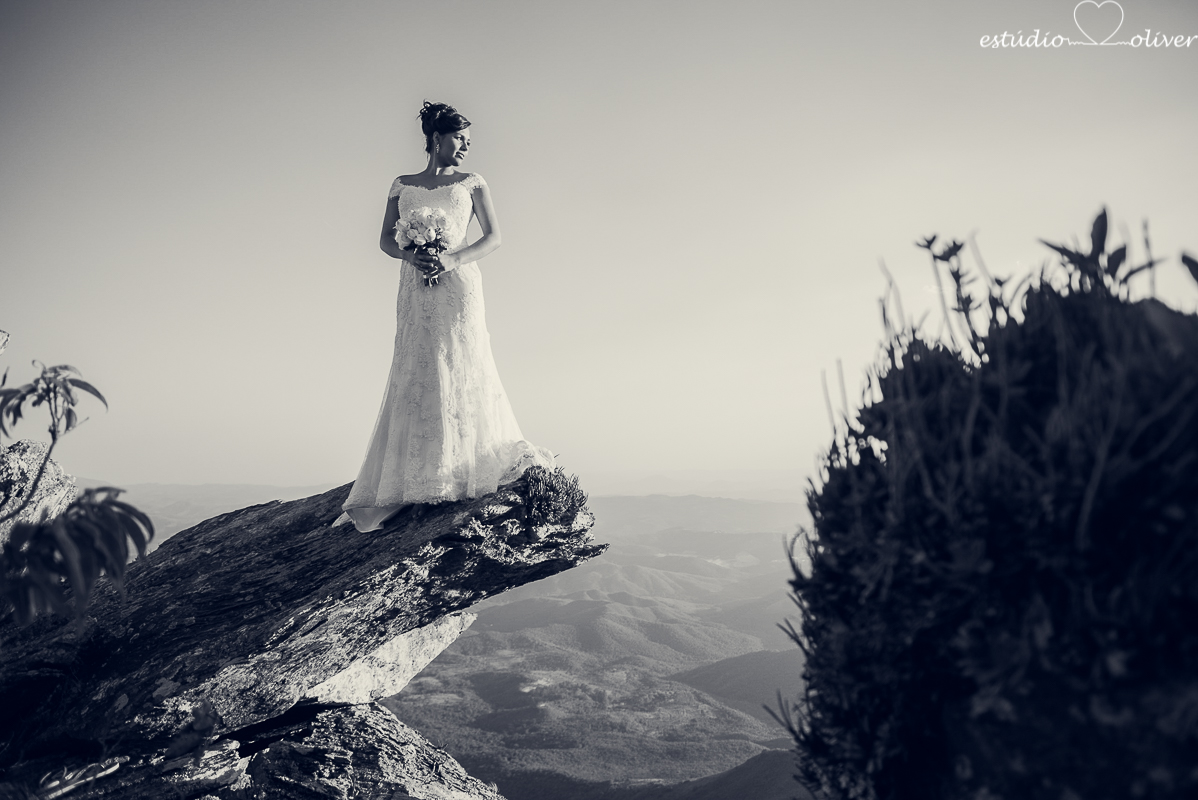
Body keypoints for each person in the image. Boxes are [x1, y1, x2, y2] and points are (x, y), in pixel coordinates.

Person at [338, 101, 555, 532]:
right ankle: (414, 474)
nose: (465, 148)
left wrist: (452, 260)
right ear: (436, 137)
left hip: (459, 287)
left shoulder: (472, 182)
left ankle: (461, 468)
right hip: (415, 288)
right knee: (416, 369)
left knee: (461, 364)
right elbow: (383, 239)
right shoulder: (402, 185)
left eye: (469, 142)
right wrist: (411, 253)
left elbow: (493, 237)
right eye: (459, 139)